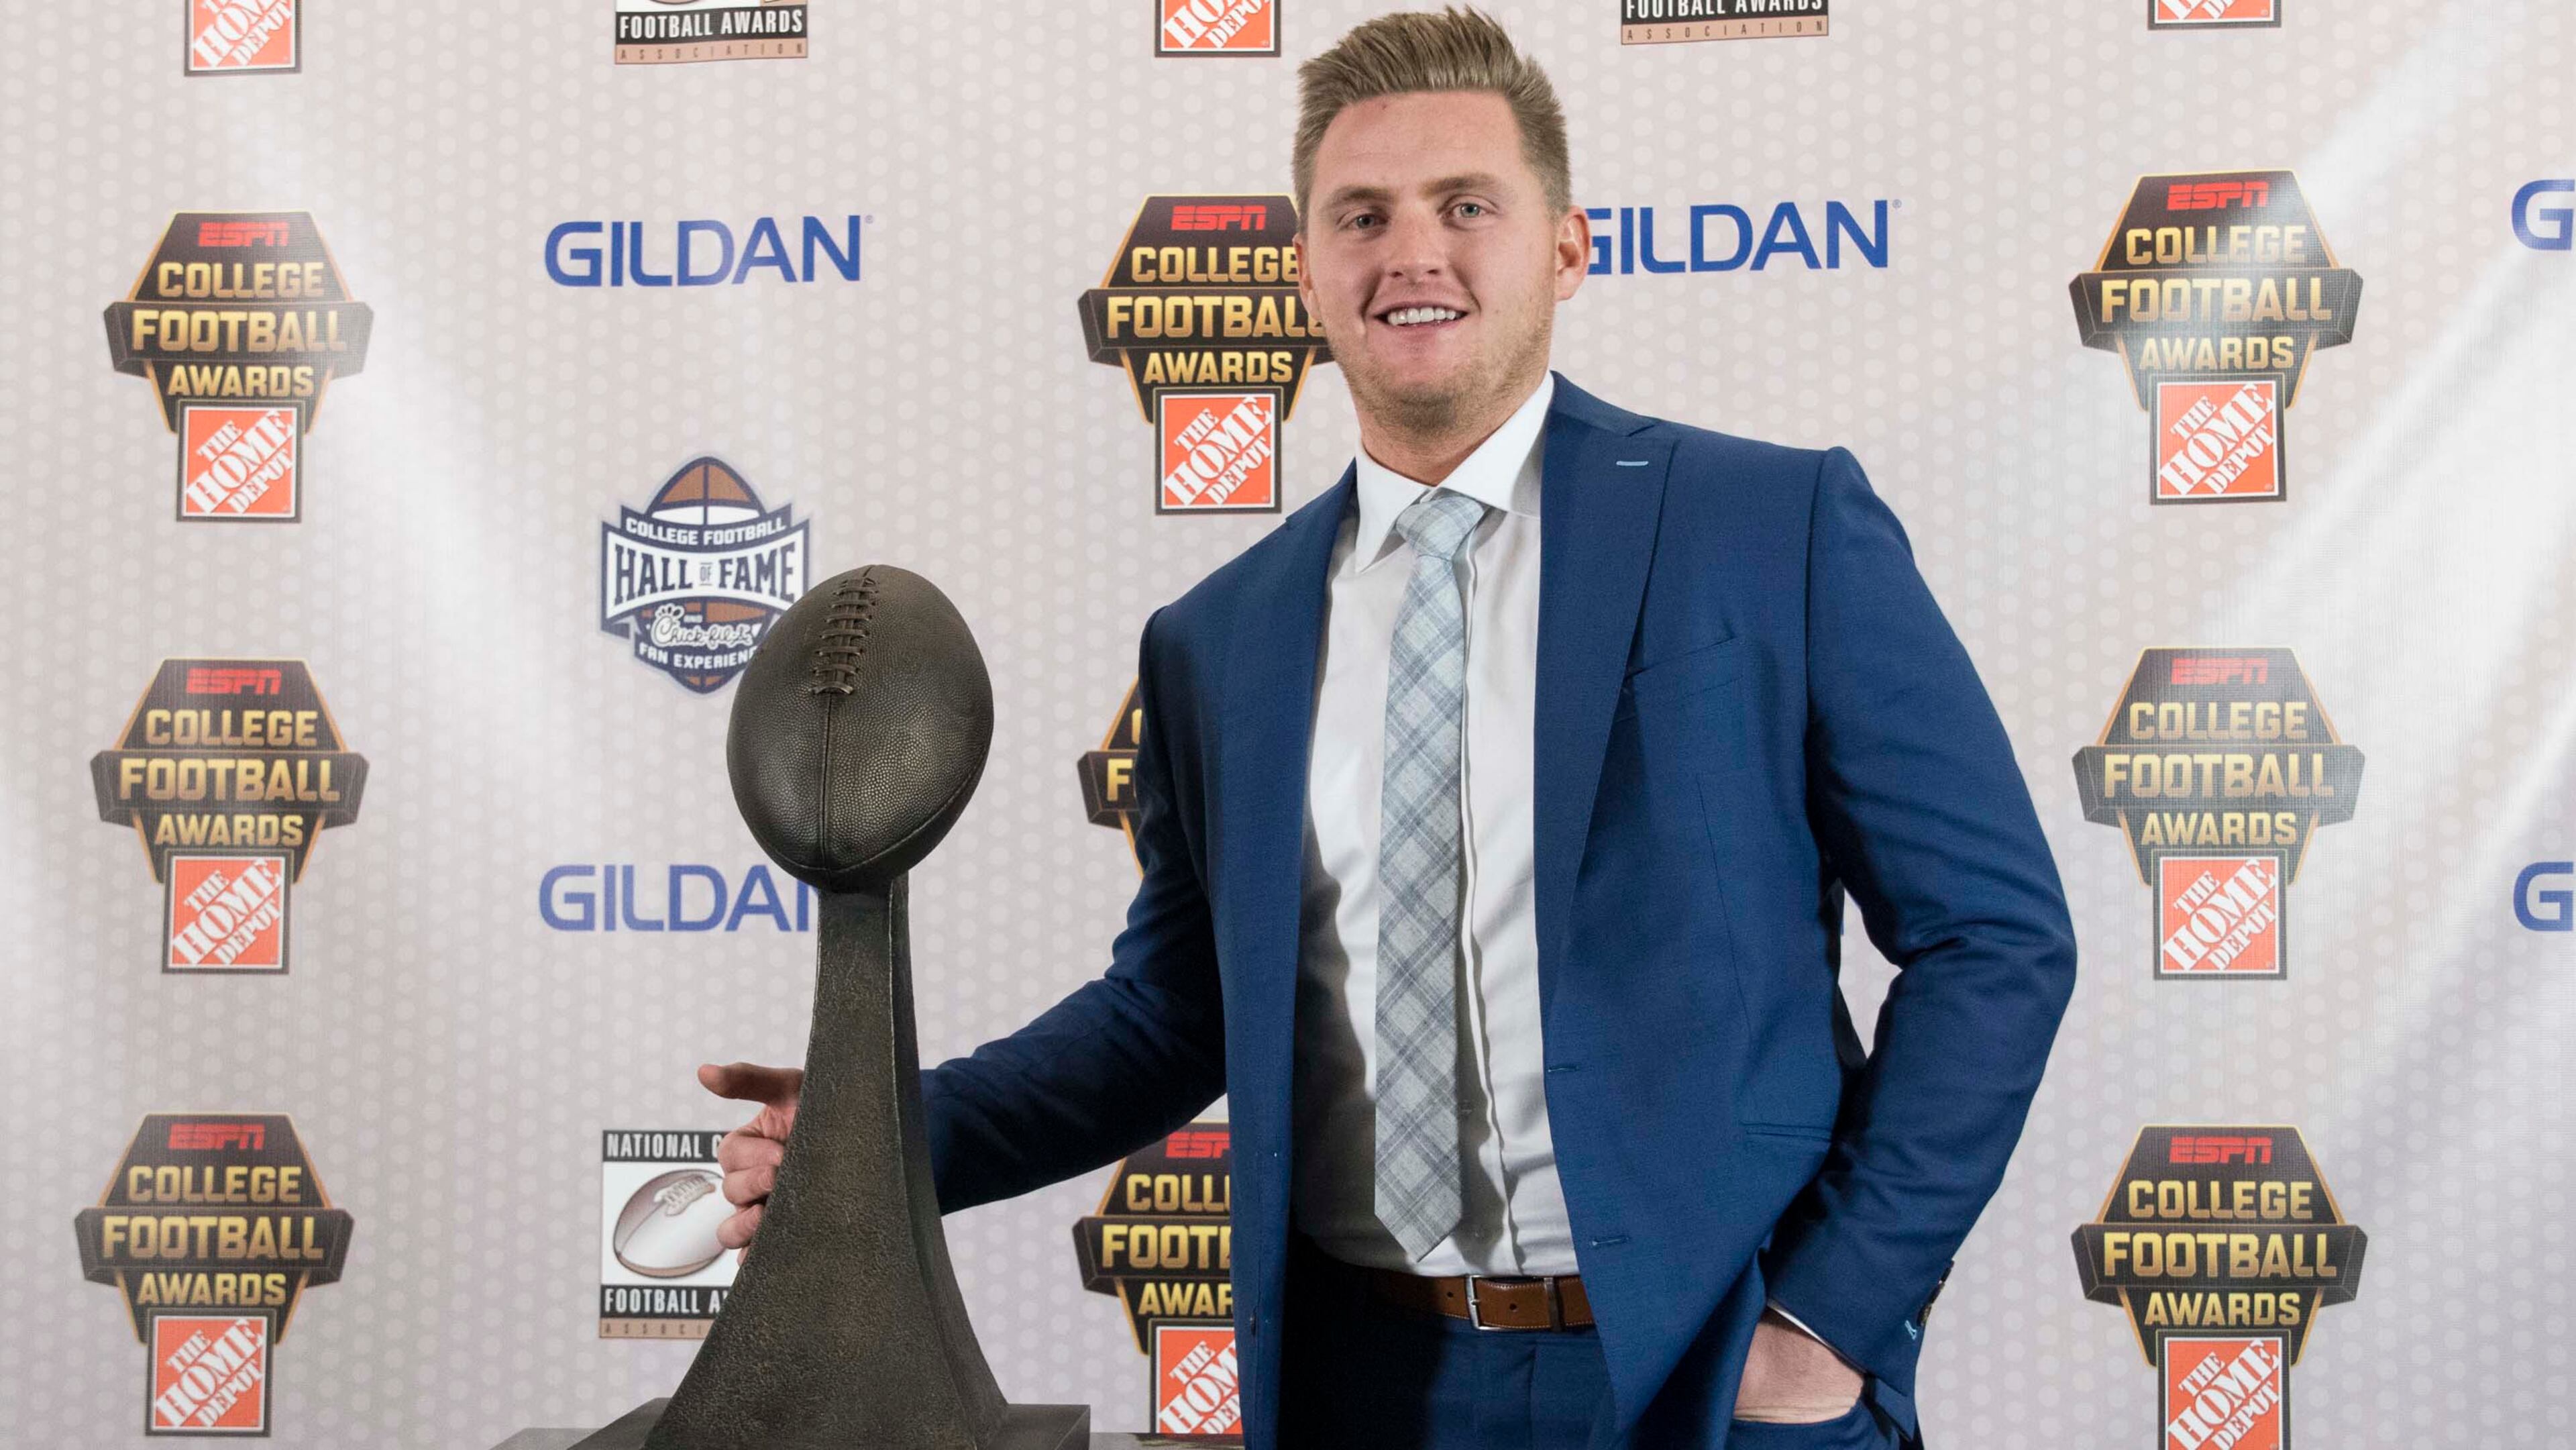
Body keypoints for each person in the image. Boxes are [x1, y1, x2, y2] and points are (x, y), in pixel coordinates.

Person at [698, 9, 2075, 1447]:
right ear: (1305, 267)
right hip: (1362, 1382)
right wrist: (874, 1130)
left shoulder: (1772, 530)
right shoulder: (1215, 639)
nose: (1411, 252)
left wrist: (1828, 1319)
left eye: (1465, 205)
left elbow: (1997, 935)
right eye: (1361, 215)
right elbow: (1175, 1016)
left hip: (1708, 1374)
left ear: (1565, 246)